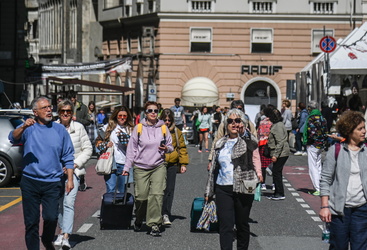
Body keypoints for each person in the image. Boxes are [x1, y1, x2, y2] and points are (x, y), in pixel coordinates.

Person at [8, 96, 74, 250]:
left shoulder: (59, 130)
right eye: (44, 108)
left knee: (51, 217)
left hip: (52, 182)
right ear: (35, 112)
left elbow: (68, 155)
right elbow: (12, 137)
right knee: (31, 222)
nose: (49, 110)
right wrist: (23, 126)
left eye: (49, 107)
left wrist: (70, 179)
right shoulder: (29, 129)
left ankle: (46, 238)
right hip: (30, 182)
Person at [204, 109, 263, 250]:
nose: (234, 124)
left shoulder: (246, 139)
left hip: (243, 185)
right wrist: (209, 191)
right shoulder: (220, 143)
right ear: (226, 124)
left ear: (243, 123)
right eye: (230, 121)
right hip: (223, 187)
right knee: (226, 225)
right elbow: (213, 170)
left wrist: (244, 133)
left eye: (237, 121)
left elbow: (254, 144)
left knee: (242, 224)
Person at [123, 101, 173, 237]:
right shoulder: (138, 128)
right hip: (140, 167)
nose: (153, 113)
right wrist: (127, 167)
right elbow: (131, 149)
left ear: (159, 113)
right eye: (150, 110)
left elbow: (171, 145)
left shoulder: (163, 128)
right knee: (141, 197)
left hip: (158, 166)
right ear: (146, 112)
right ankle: (139, 218)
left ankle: (154, 224)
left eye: (155, 111)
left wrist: (166, 148)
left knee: (157, 195)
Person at [319, 111, 367, 249]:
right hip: (339, 210)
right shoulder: (336, 150)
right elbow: (325, 180)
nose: (364, 131)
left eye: (364, 128)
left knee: (361, 247)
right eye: (360, 129)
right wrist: (324, 207)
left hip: (362, 209)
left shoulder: (366, 151)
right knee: (338, 246)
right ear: (349, 131)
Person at [54, 99, 92, 249]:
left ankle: (66, 236)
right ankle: (62, 230)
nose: (65, 114)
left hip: (74, 172)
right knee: (58, 205)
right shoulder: (53, 127)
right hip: (56, 172)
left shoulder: (79, 127)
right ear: (59, 113)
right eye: (62, 111)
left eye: (68, 111)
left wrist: (75, 164)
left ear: (72, 113)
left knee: (69, 203)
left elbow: (88, 149)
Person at [159, 109, 189, 226]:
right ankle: (156, 212)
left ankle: (166, 213)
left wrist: (183, 164)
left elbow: (182, 148)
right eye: (165, 120)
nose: (167, 122)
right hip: (158, 163)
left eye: (169, 120)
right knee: (158, 189)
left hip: (172, 164)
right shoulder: (156, 131)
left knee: (169, 190)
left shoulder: (177, 132)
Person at [98, 106, 134, 193]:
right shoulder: (108, 127)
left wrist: (126, 142)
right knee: (111, 190)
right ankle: (109, 206)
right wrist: (105, 145)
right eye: (120, 115)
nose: (122, 118)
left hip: (124, 163)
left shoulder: (131, 129)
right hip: (111, 162)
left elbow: (136, 148)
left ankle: (120, 207)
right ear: (116, 116)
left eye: (124, 116)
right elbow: (98, 143)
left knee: (122, 191)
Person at [263, 107, 290, 200]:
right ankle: (278, 192)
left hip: (280, 153)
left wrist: (275, 155)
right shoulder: (279, 124)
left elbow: (280, 141)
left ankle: (279, 193)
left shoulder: (277, 126)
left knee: (276, 172)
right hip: (282, 152)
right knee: (277, 172)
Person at [303, 100, 328, 196]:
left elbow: (311, 132)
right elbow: (326, 131)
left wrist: (309, 141)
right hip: (321, 144)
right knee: (318, 166)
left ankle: (317, 188)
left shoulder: (311, 118)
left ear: (310, 108)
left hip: (313, 144)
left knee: (312, 166)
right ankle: (321, 187)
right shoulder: (322, 117)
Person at [257, 113, 273, 191]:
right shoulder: (273, 123)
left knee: (262, 165)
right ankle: (274, 184)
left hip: (262, 144)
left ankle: (263, 184)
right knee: (273, 164)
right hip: (272, 144)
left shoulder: (261, 122)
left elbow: (258, 133)